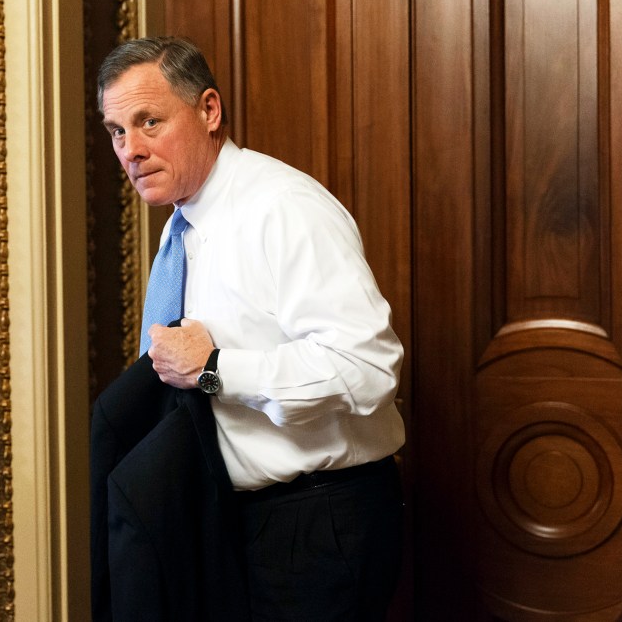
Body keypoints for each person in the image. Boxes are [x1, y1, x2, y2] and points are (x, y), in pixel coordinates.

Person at [96, 36, 405, 620]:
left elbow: (370, 371)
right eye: (116, 131)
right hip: (232, 521)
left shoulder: (283, 209)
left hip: (314, 526)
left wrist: (214, 369)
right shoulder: (182, 226)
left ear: (209, 111)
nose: (130, 150)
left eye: (149, 122)